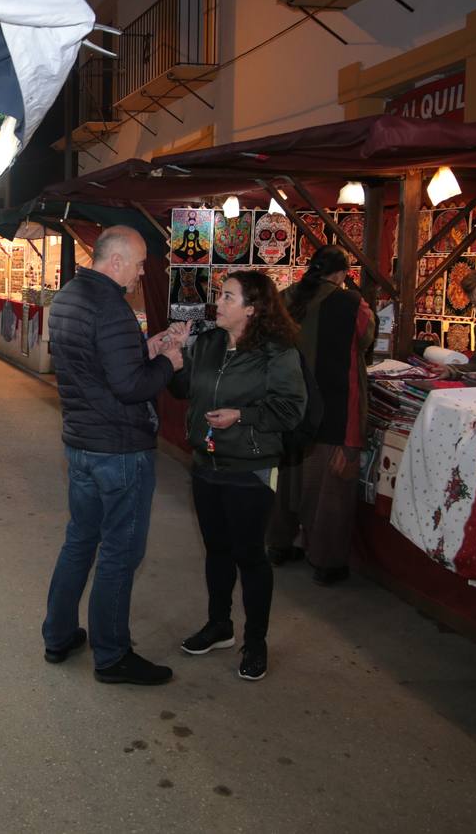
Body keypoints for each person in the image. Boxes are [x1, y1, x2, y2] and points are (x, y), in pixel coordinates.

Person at [41, 226, 186, 686]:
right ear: (117, 260)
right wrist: (168, 363)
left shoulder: (68, 297)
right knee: (120, 553)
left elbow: (95, 367)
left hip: (81, 442)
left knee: (80, 540)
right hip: (118, 449)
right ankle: (112, 654)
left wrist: (147, 348)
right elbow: (130, 386)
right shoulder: (112, 307)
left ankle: (59, 634)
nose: (144, 272)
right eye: (141, 263)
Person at [170, 271, 306, 682]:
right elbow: (183, 390)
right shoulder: (209, 343)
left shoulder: (277, 352)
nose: (219, 303)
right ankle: (219, 626)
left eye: (228, 296)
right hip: (206, 464)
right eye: (220, 295)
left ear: (252, 307)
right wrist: (175, 354)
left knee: (250, 555)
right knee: (216, 550)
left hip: (250, 467)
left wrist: (241, 416)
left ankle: (256, 641)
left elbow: (290, 409)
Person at [268, 245, 376, 585]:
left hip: (291, 405)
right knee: (331, 489)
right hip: (333, 407)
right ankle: (327, 561)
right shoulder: (351, 304)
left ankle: (280, 545)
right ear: (342, 274)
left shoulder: (287, 298)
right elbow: (366, 338)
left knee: (289, 480)